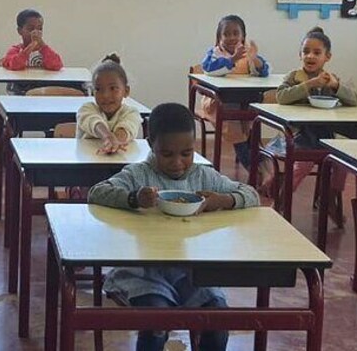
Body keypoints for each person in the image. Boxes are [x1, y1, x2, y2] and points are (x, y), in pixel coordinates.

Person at [88, 102, 259, 351]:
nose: (178, 163)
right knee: (157, 322)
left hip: (194, 271)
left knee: (218, 321)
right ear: (151, 144)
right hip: (144, 271)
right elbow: (97, 192)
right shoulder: (139, 174)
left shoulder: (203, 175)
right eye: (167, 154)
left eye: (186, 153)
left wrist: (221, 200)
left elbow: (250, 193)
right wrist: (134, 198)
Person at [273, 27, 357, 193]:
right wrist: (310, 84)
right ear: (300, 55)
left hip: (324, 135)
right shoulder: (294, 77)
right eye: (306, 51)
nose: (310, 56)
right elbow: (281, 97)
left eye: (317, 52)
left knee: (344, 162)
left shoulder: (330, 79)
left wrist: (335, 86)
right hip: (298, 136)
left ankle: (331, 197)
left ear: (327, 57)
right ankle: (282, 198)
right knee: (304, 164)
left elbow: (354, 100)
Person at [199, 14, 269, 169]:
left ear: (243, 36)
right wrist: (232, 60)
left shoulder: (247, 52)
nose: (231, 37)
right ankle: (254, 169)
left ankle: (264, 166)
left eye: (236, 33)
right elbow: (208, 69)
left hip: (244, 101)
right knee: (236, 131)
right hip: (218, 102)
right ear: (219, 38)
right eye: (226, 34)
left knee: (252, 130)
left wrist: (255, 59)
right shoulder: (215, 53)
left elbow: (263, 72)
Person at [77, 53, 142, 154]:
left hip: (121, 163)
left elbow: (127, 128)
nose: (105, 95)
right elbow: (94, 122)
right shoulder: (87, 109)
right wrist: (107, 137)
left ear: (126, 91)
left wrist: (115, 141)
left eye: (113, 88)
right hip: (88, 165)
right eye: (98, 89)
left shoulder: (132, 113)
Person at [1, 8, 63, 95]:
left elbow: (57, 65)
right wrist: (31, 46)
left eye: (39, 29)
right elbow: (15, 65)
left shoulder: (44, 50)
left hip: (41, 90)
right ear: (20, 31)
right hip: (19, 91)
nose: (35, 32)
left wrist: (42, 45)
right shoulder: (15, 50)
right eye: (30, 29)